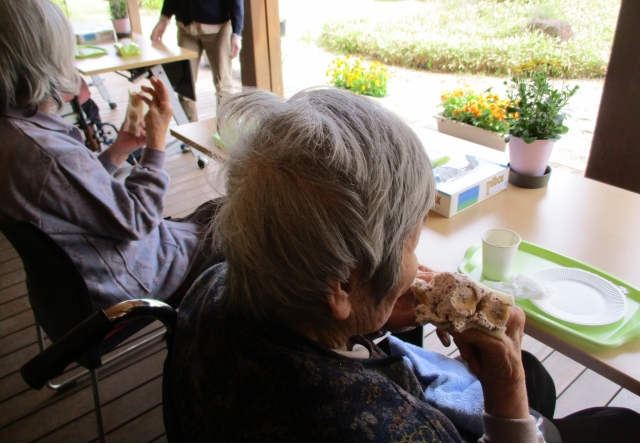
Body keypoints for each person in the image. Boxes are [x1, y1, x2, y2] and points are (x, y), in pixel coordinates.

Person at [171, 87, 640, 442]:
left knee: (538, 377)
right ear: (343, 284)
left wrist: (366, 316)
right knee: (616, 423)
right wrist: (508, 389)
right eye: (411, 243)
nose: (417, 266)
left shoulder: (214, 284)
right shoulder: (399, 431)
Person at [0, 0, 223, 310]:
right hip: (128, 277)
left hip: (79, 278)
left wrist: (117, 151)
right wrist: (156, 144)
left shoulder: (15, 133)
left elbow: (70, 193)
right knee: (249, 225)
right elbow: (138, 219)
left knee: (221, 210)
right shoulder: (46, 152)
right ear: (46, 58)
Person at [151, 0, 244, 122]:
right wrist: (164, 20)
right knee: (184, 87)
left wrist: (237, 33)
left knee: (223, 86)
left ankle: (226, 132)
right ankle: (189, 133)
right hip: (186, 28)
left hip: (218, 28)